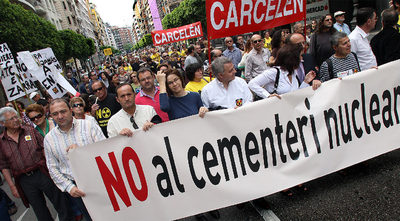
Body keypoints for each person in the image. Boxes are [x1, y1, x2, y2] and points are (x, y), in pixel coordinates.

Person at [0, 107, 73, 221]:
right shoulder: (2, 142)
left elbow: (45, 149)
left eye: (16, 117)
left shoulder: (30, 130)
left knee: (60, 202)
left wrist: (53, 170)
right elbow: (4, 166)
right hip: (24, 180)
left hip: (42, 172)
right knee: (39, 209)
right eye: (11, 119)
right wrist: (12, 186)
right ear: (2, 123)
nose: (15, 120)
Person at [44, 98, 106, 221]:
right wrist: (69, 187)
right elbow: (53, 168)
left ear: (71, 110)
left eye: (63, 111)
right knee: (91, 217)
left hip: (100, 179)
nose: (60, 116)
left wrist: (82, 152)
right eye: (55, 114)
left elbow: (104, 150)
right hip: (77, 189)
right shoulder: (49, 139)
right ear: (51, 116)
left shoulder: (88, 125)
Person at [248, 44, 319, 99]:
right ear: (292, 59)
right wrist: (268, 96)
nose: (301, 59)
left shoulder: (293, 72)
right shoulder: (274, 72)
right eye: (300, 56)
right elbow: (252, 84)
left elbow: (296, 94)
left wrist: (306, 81)